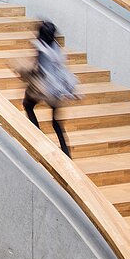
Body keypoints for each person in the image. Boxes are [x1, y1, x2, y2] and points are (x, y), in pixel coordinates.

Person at [19, 21, 79, 157]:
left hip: (47, 88)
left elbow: (45, 72)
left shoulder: (41, 49)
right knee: (56, 122)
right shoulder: (56, 47)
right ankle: (66, 152)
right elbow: (62, 69)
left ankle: (39, 140)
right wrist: (69, 90)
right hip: (58, 89)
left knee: (27, 105)